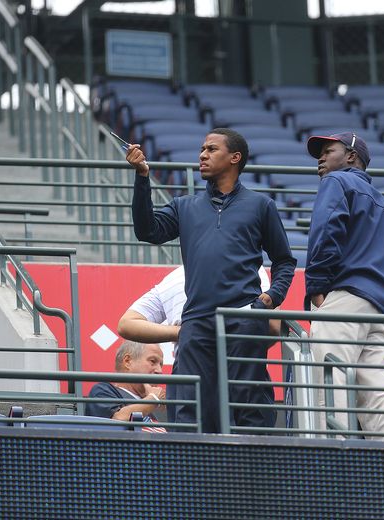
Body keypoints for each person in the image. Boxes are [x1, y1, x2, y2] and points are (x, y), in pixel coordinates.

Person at [126, 127, 296, 433]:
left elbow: (284, 262)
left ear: (235, 158)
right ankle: (193, 474)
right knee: (190, 408)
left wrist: (268, 300)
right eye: (202, 149)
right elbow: (147, 231)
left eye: (211, 149)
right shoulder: (184, 206)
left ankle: (253, 476)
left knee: (248, 406)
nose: (202, 155)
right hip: (197, 321)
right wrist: (141, 178)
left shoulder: (260, 205)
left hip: (243, 318)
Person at [305, 131, 384, 441]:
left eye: (328, 150)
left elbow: (326, 231)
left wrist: (317, 286)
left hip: (346, 297)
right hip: (378, 308)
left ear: (351, 156)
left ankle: (331, 468)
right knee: (377, 396)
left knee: (329, 381)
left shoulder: (336, 182)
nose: (321, 158)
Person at [117, 265, 279, 424]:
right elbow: (273, 325)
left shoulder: (173, 279)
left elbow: (126, 324)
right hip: (241, 366)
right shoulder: (250, 266)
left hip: (188, 371)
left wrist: (185, 333)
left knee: (193, 446)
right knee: (251, 445)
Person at [85, 340, 167, 432]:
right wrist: (153, 399)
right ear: (127, 361)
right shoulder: (102, 391)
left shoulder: (155, 407)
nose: (159, 371)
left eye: (161, 364)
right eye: (153, 361)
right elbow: (117, 421)